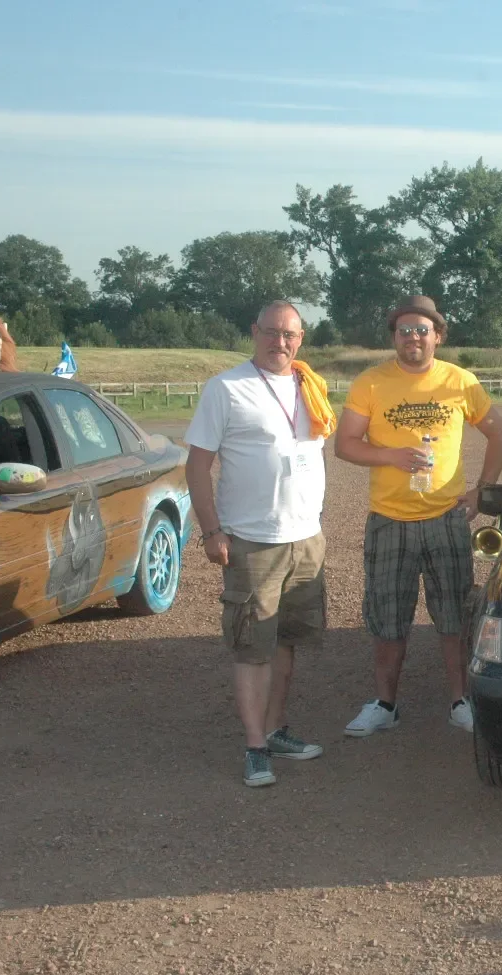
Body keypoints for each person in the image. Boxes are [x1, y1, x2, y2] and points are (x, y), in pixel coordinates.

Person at [336, 294, 502, 738]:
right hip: (389, 520)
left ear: (438, 336)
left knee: (453, 617)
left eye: (421, 330)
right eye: (404, 330)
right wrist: (390, 455)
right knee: (388, 618)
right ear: (394, 337)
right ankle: (385, 704)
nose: (412, 337)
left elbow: (498, 435)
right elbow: (345, 444)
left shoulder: (460, 381)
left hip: (446, 519)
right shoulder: (371, 383)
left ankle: (459, 702)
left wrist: (481, 492)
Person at [185, 300, 336, 788]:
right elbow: (197, 466)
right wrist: (212, 531)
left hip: (304, 538)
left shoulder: (310, 386)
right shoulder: (226, 388)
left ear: (301, 338)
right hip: (252, 540)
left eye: (289, 335)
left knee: (286, 641)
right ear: (255, 332)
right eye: (271, 332)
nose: (280, 342)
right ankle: (254, 747)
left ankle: (275, 729)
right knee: (253, 647)